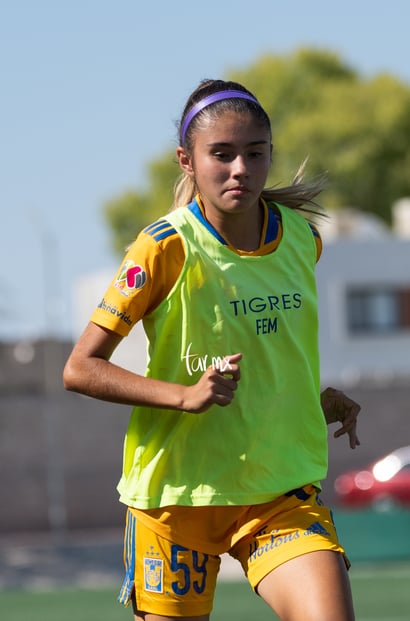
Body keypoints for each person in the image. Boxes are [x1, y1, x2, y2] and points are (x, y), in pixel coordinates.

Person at [63, 78, 361, 621]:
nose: (240, 169)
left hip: (278, 495)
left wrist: (313, 398)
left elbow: (266, 352)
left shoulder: (302, 240)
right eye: (221, 155)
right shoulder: (162, 249)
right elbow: (80, 369)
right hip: (174, 501)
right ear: (187, 159)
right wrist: (184, 395)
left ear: (271, 154)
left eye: (254, 153)